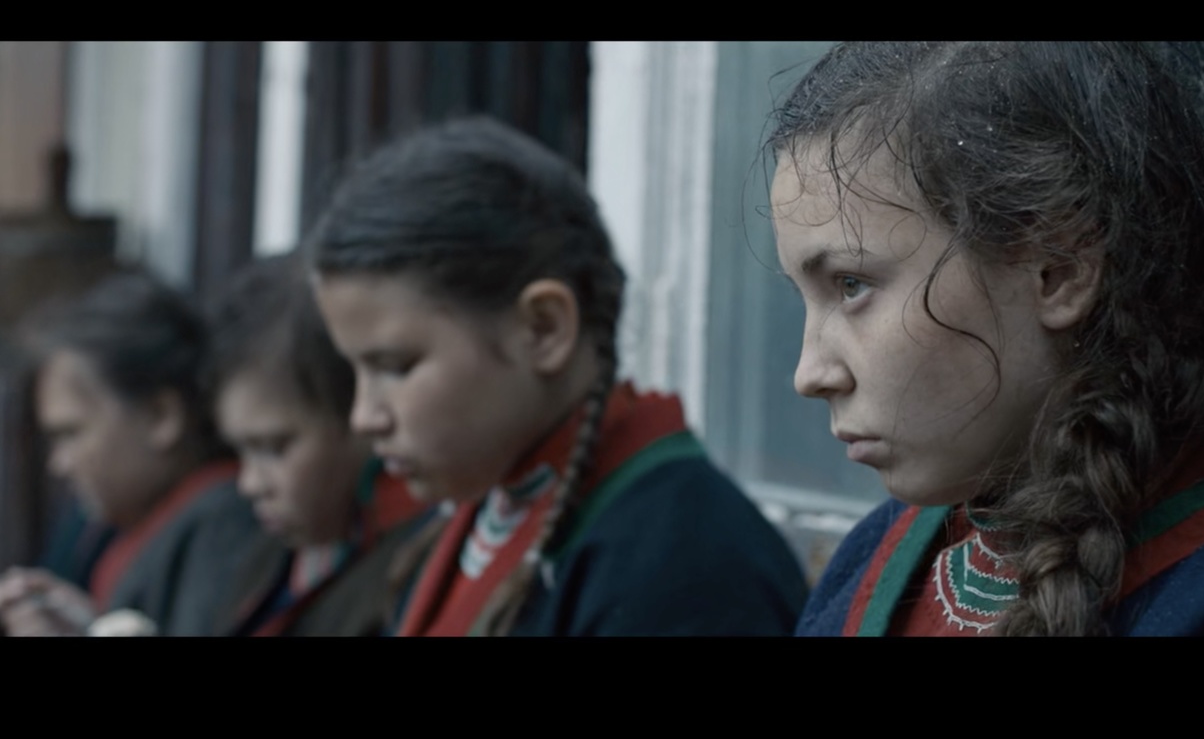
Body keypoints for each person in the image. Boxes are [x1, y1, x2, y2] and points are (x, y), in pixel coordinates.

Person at [769, 41, 1204, 636]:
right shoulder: (875, 561)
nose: (810, 375)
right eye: (805, 297)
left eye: (851, 284)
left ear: (1058, 269)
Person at [307, 115, 809, 636]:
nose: (364, 417)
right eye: (355, 371)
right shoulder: (486, 505)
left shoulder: (688, 566)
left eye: (395, 367)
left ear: (543, 328)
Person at [0, 271, 261, 636]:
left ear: (160, 416)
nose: (59, 464)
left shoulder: (220, 527)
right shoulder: (127, 527)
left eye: (71, 433)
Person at [204, 253, 429, 636]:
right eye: (240, 451)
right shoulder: (265, 559)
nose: (250, 484)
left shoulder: (408, 573)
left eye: (275, 448)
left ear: (356, 416)